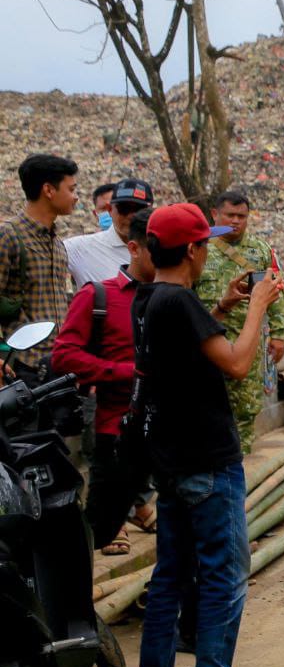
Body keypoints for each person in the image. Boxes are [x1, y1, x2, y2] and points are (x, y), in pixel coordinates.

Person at [132, 202, 282, 667]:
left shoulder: (149, 298)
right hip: (207, 459)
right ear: (194, 250)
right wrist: (257, 306)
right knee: (223, 575)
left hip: (170, 459)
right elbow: (237, 364)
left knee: (171, 574)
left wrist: (221, 307)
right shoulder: (180, 301)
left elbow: (187, 349)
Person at [52, 207, 155, 556]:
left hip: (169, 434)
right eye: (156, 248)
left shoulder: (176, 297)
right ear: (134, 248)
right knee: (99, 527)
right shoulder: (99, 296)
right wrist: (126, 372)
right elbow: (65, 356)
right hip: (118, 432)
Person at [195, 190, 284, 453]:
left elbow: (276, 292)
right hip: (207, 343)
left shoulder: (260, 250)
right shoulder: (200, 248)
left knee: (246, 410)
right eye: (230, 215)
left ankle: (240, 458)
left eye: (242, 216)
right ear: (214, 214)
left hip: (247, 345)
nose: (236, 221)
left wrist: (279, 334)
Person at [1, 154, 77, 369]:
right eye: (71, 189)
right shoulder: (9, 236)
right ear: (49, 190)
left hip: (58, 363)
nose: (76, 197)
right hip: (21, 365)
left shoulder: (57, 243)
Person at [65, 178, 155, 287]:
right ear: (110, 209)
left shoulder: (164, 247)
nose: (131, 216)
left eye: (139, 209)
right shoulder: (80, 249)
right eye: (124, 208)